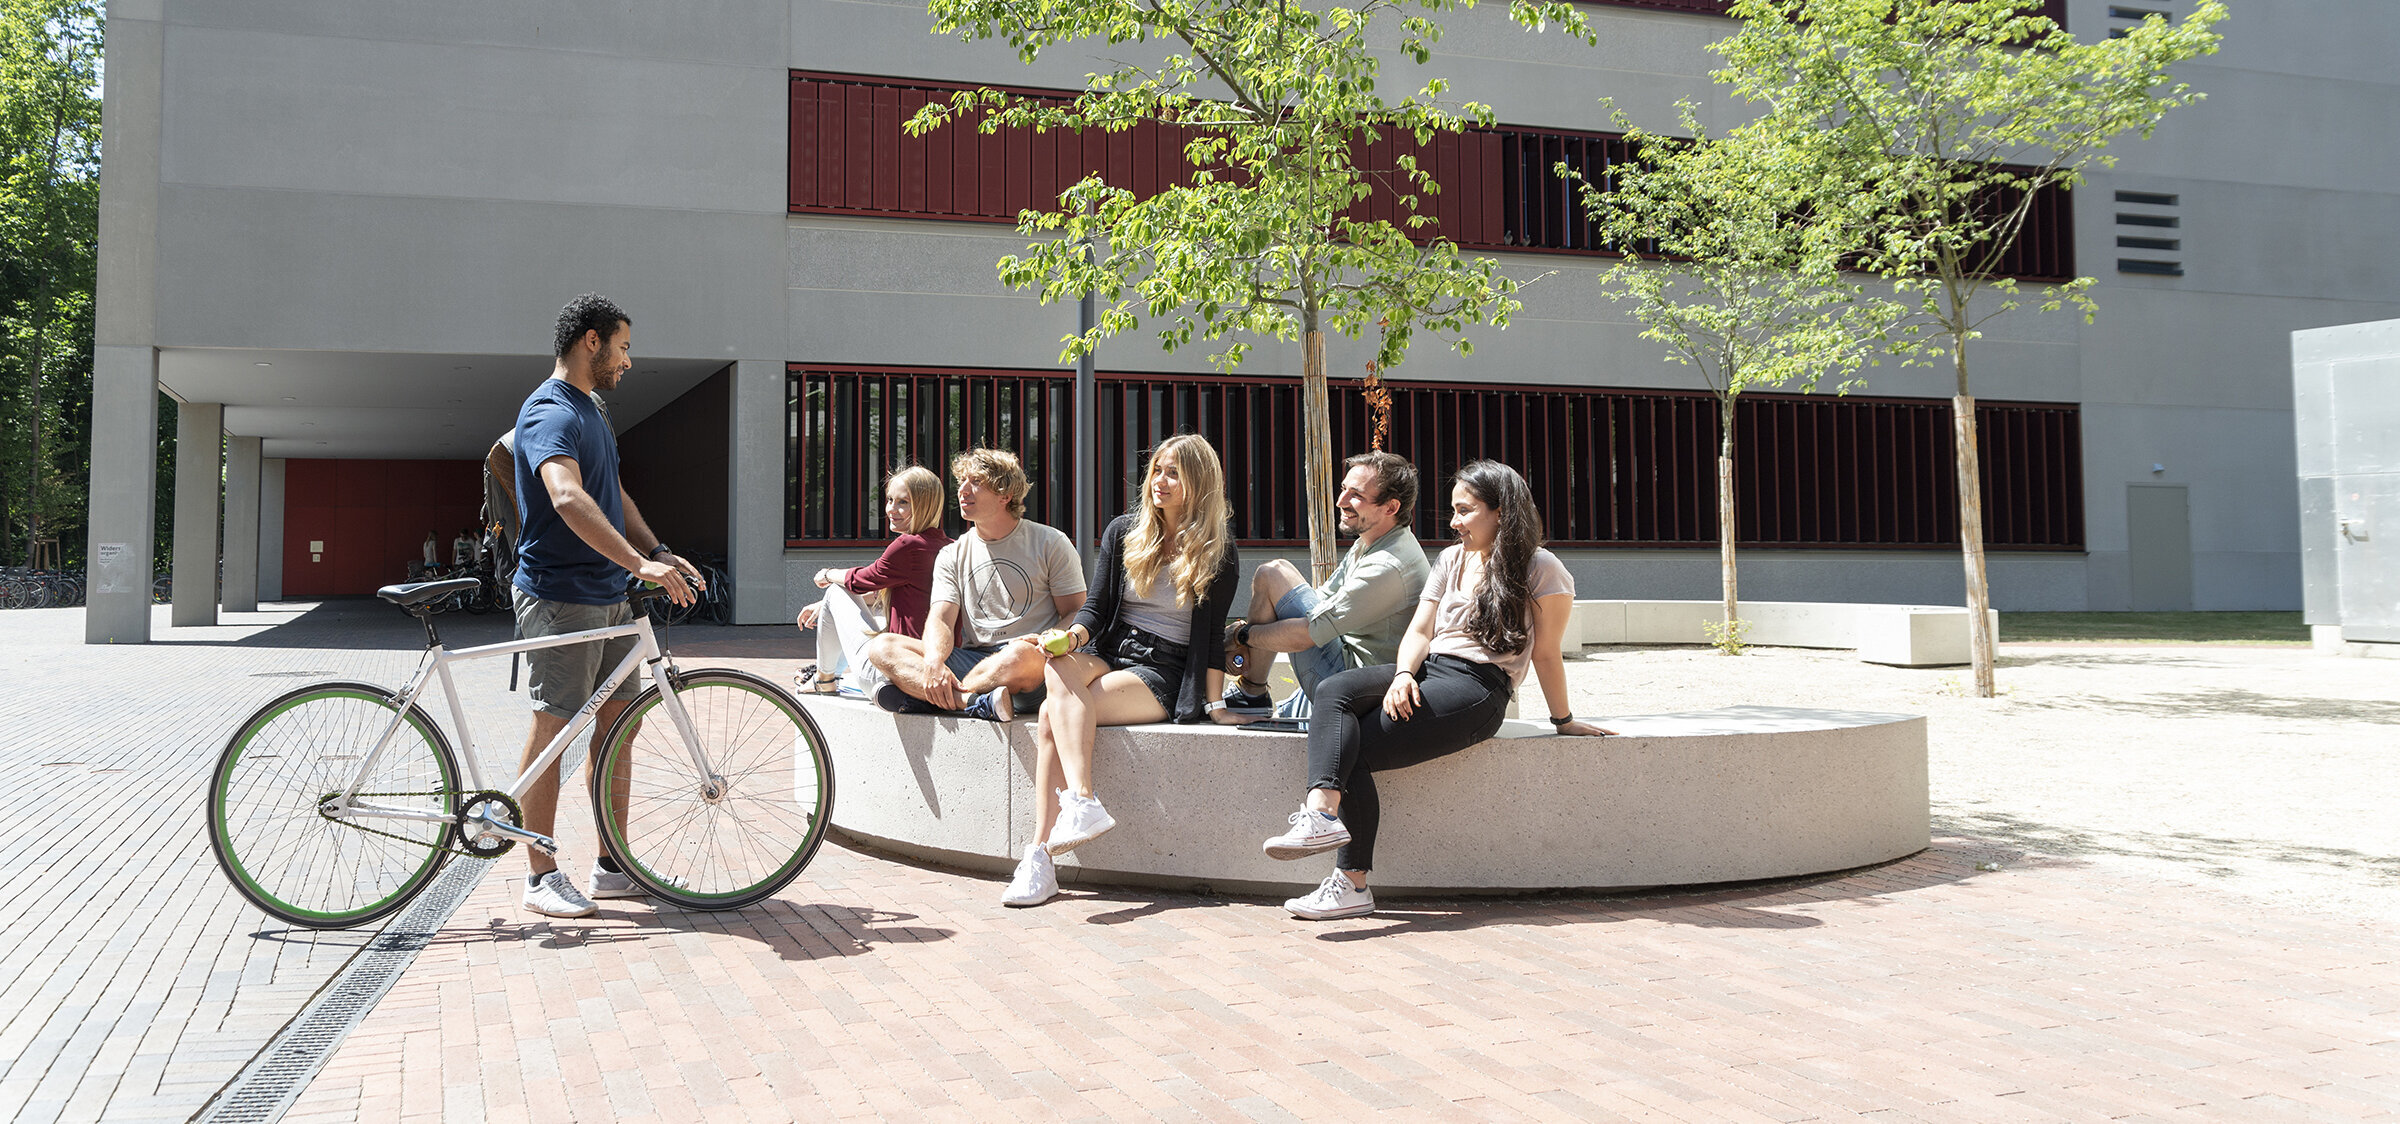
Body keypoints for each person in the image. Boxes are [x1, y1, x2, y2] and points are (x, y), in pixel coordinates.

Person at [1257, 459, 1617, 920]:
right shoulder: (1450, 559)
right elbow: (1420, 631)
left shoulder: (1542, 568)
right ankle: (1321, 818)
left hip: (1480, 689)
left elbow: (1546, 653)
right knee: (1336, 691)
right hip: (1430, 671)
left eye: (1465, 511)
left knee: (1351, 748)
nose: (1453, 522)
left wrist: (1562, 721)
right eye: (1453, 510)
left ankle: (1351, 883)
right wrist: (1404, 674)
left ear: (1501, 512)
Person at [508, 293, 704, 919]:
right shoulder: (549, 410)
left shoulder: (592, 410)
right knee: (553, 731)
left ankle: (611, 864)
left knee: (618, 727)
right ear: (590, 341)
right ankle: (540, 873)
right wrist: (639, 565)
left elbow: (610, 492)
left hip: (611, 596)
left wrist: (658, 551)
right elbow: (566, 497)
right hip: (562, 598)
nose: (628, 361)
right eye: (622, 346)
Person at [1001, 434, 1250, 907]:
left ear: (1200, 481)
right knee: (1057, 665)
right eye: (1157, 469)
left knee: (1054, 718)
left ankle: (1039, 855)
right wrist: (1070, 638)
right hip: (1113, 651)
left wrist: (1215, 705)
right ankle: (1081, 802)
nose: (1160, 481)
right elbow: (1095, 609)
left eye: (1174, 472)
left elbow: (1214, 633)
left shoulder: (1218, 549)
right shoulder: (1123, 531)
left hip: (1165, 668)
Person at [862, 448, 1085, 722]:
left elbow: (1076, 611)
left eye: (976, 483)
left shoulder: (1050, 542)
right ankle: (975, 702)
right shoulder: (952, 554)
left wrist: (1045, 640)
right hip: (976, 660)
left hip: (1033, 664)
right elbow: (941, 619)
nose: (963, 491)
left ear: (1006, 495)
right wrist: (933, 662)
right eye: (962, 482)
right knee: (882, 647)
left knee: (1017, 654)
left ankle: (943, 697)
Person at [1222, 451, 1429, 719]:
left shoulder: (1388, 564)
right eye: (1343, 489)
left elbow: (1308, 632)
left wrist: (1242, 635)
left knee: (1273, 573)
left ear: (1390, 508)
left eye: (1356, 495)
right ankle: (1252, 692)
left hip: (1355, 690)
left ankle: (1252, 693)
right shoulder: (1372, 542)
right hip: (1348, 667)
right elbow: (1322, 600)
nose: (1341, 501)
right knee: (1275, 573)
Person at [795, 465, 950, 694]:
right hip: (926, 668)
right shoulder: (948, 546)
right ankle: (827, 675)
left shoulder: (908, 545)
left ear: (924, 504)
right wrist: (825, 607)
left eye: (903, 502)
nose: (891, 509)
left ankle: (824, 679)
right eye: (889, 500)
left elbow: (859, 580)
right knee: (840, 599)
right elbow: (882, 592)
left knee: (836, 590)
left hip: (894, 672)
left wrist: (828, 574)